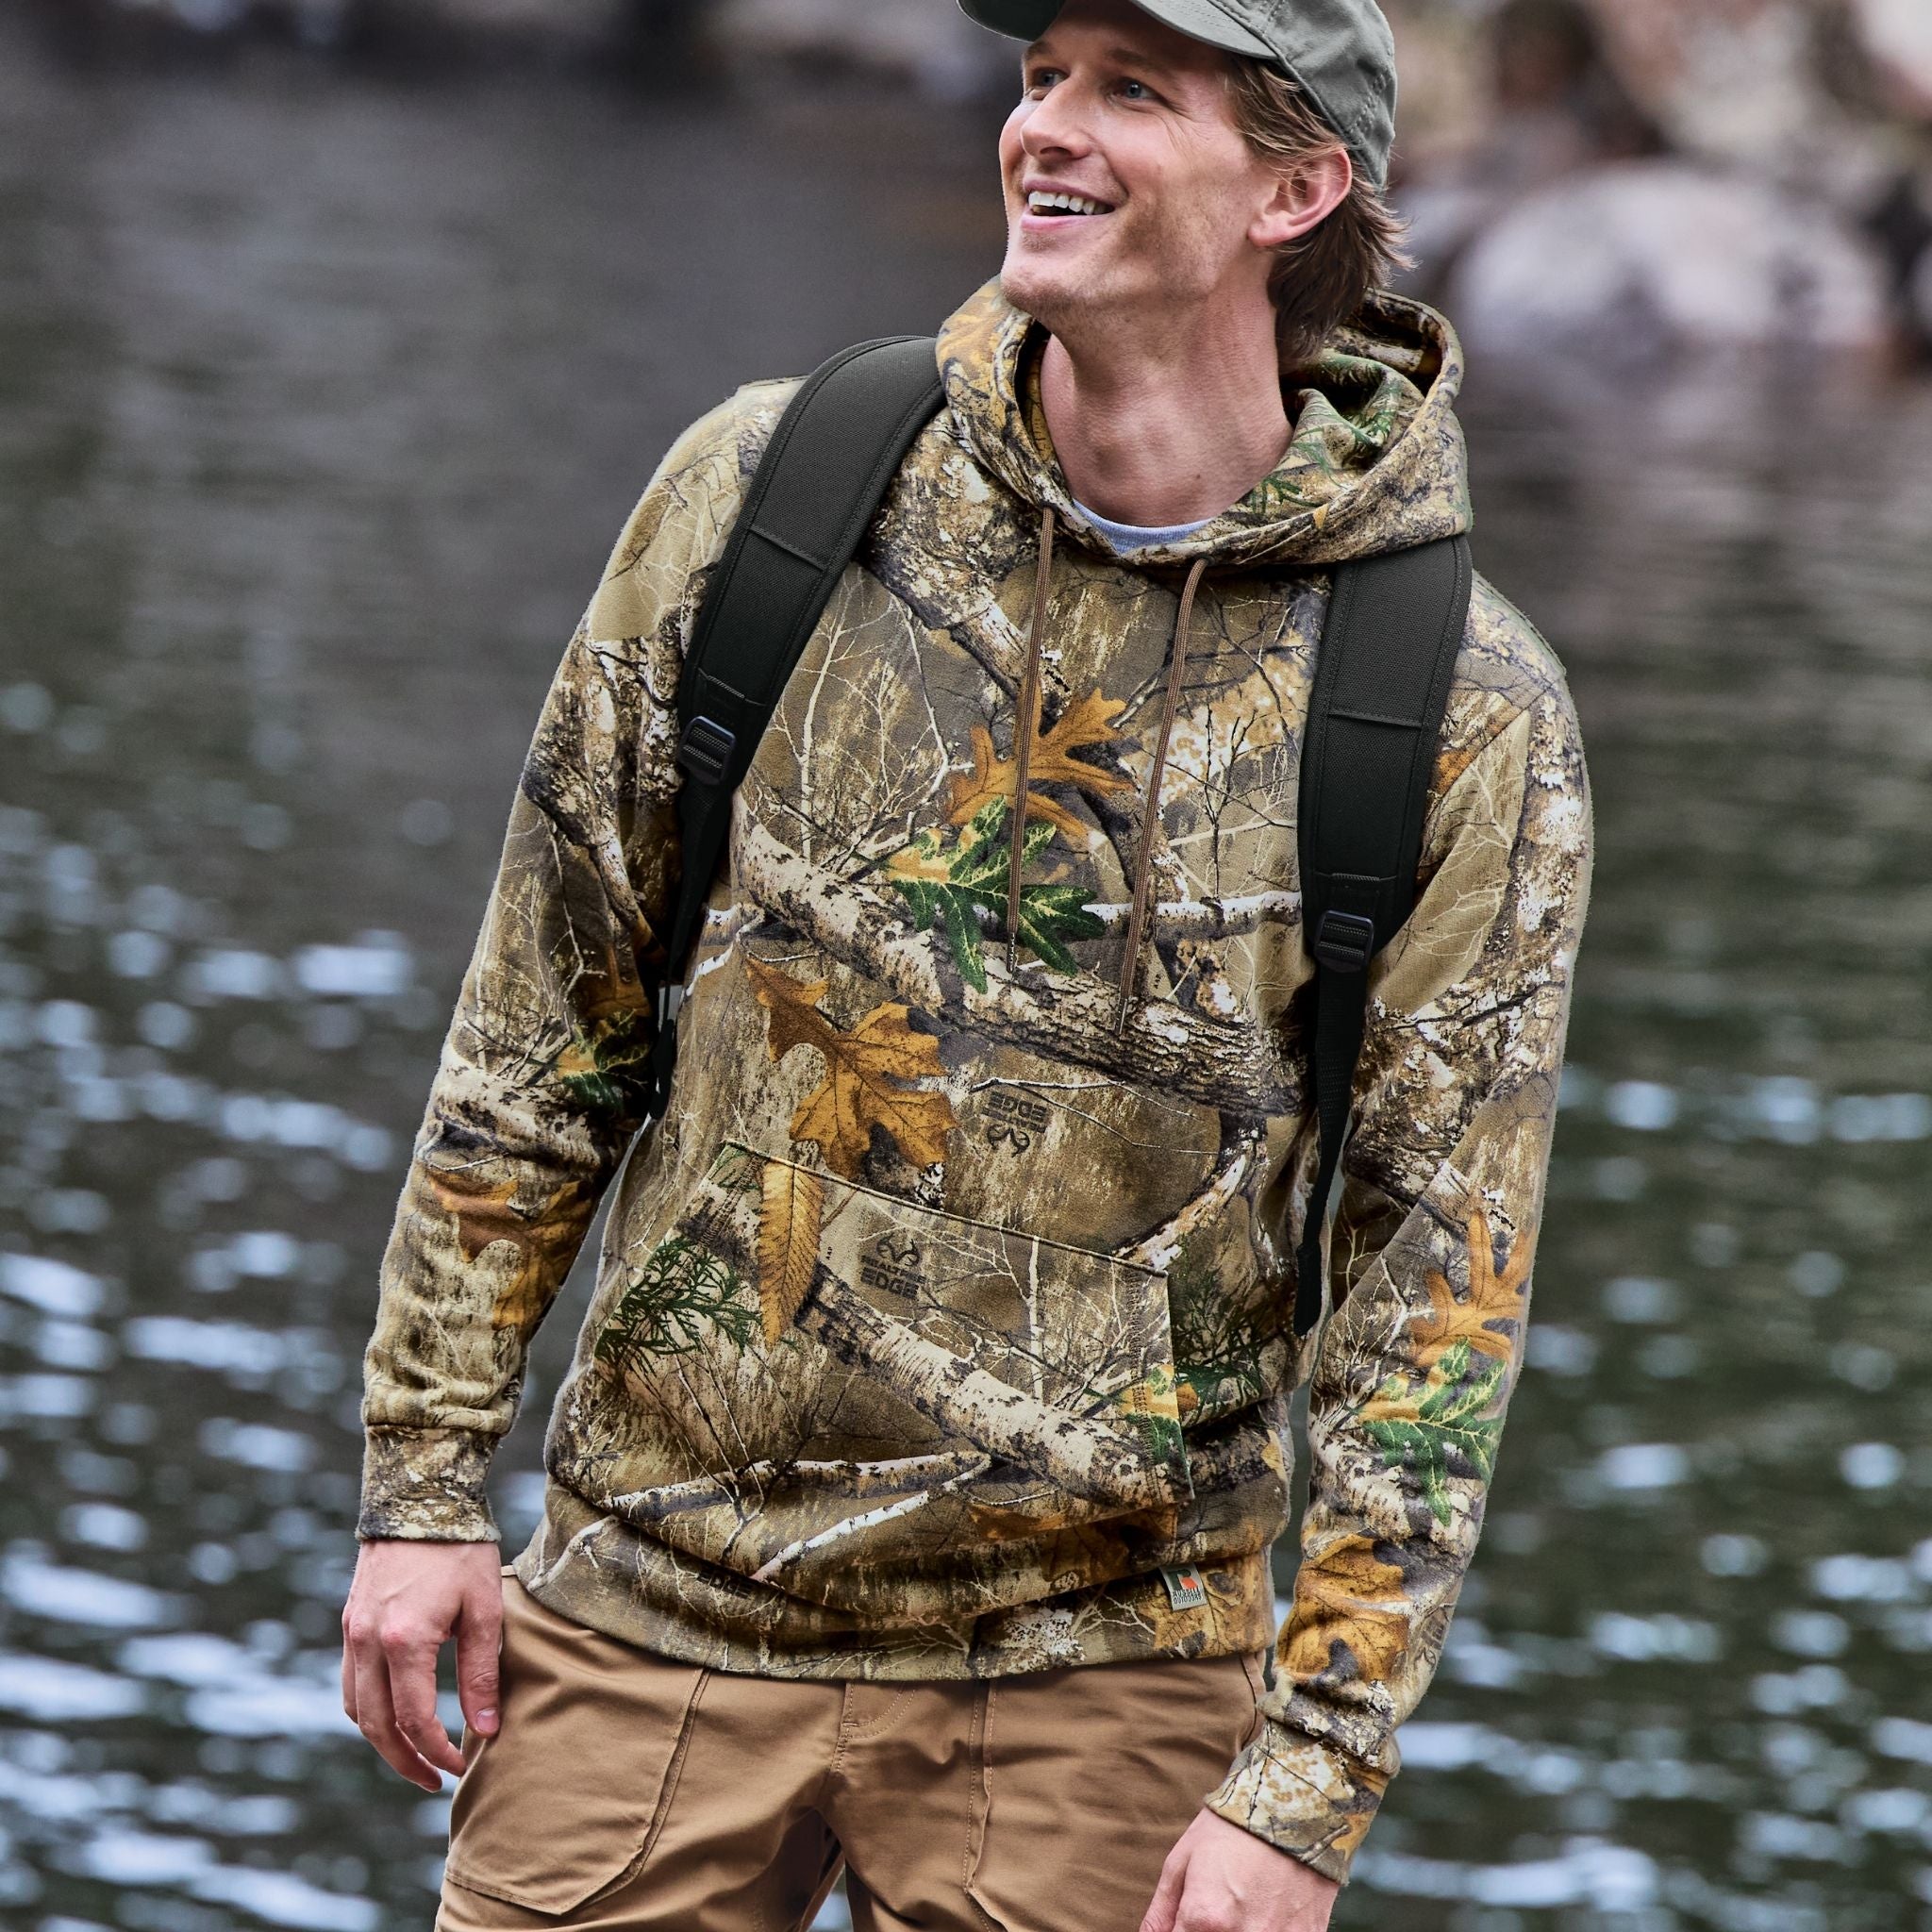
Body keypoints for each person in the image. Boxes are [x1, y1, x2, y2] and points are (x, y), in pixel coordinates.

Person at [341, 1, 1594, 1927]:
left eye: (1128, 91)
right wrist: (424, 1485)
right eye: (1039, 77)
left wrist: (1306, 1784)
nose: (1046, 129)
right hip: (646, 1602)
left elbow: (1434, 1294)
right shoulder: (774, 493)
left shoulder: (1454, 706)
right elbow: (546, 1018)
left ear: (1298, 186)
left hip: (1101, 1678)